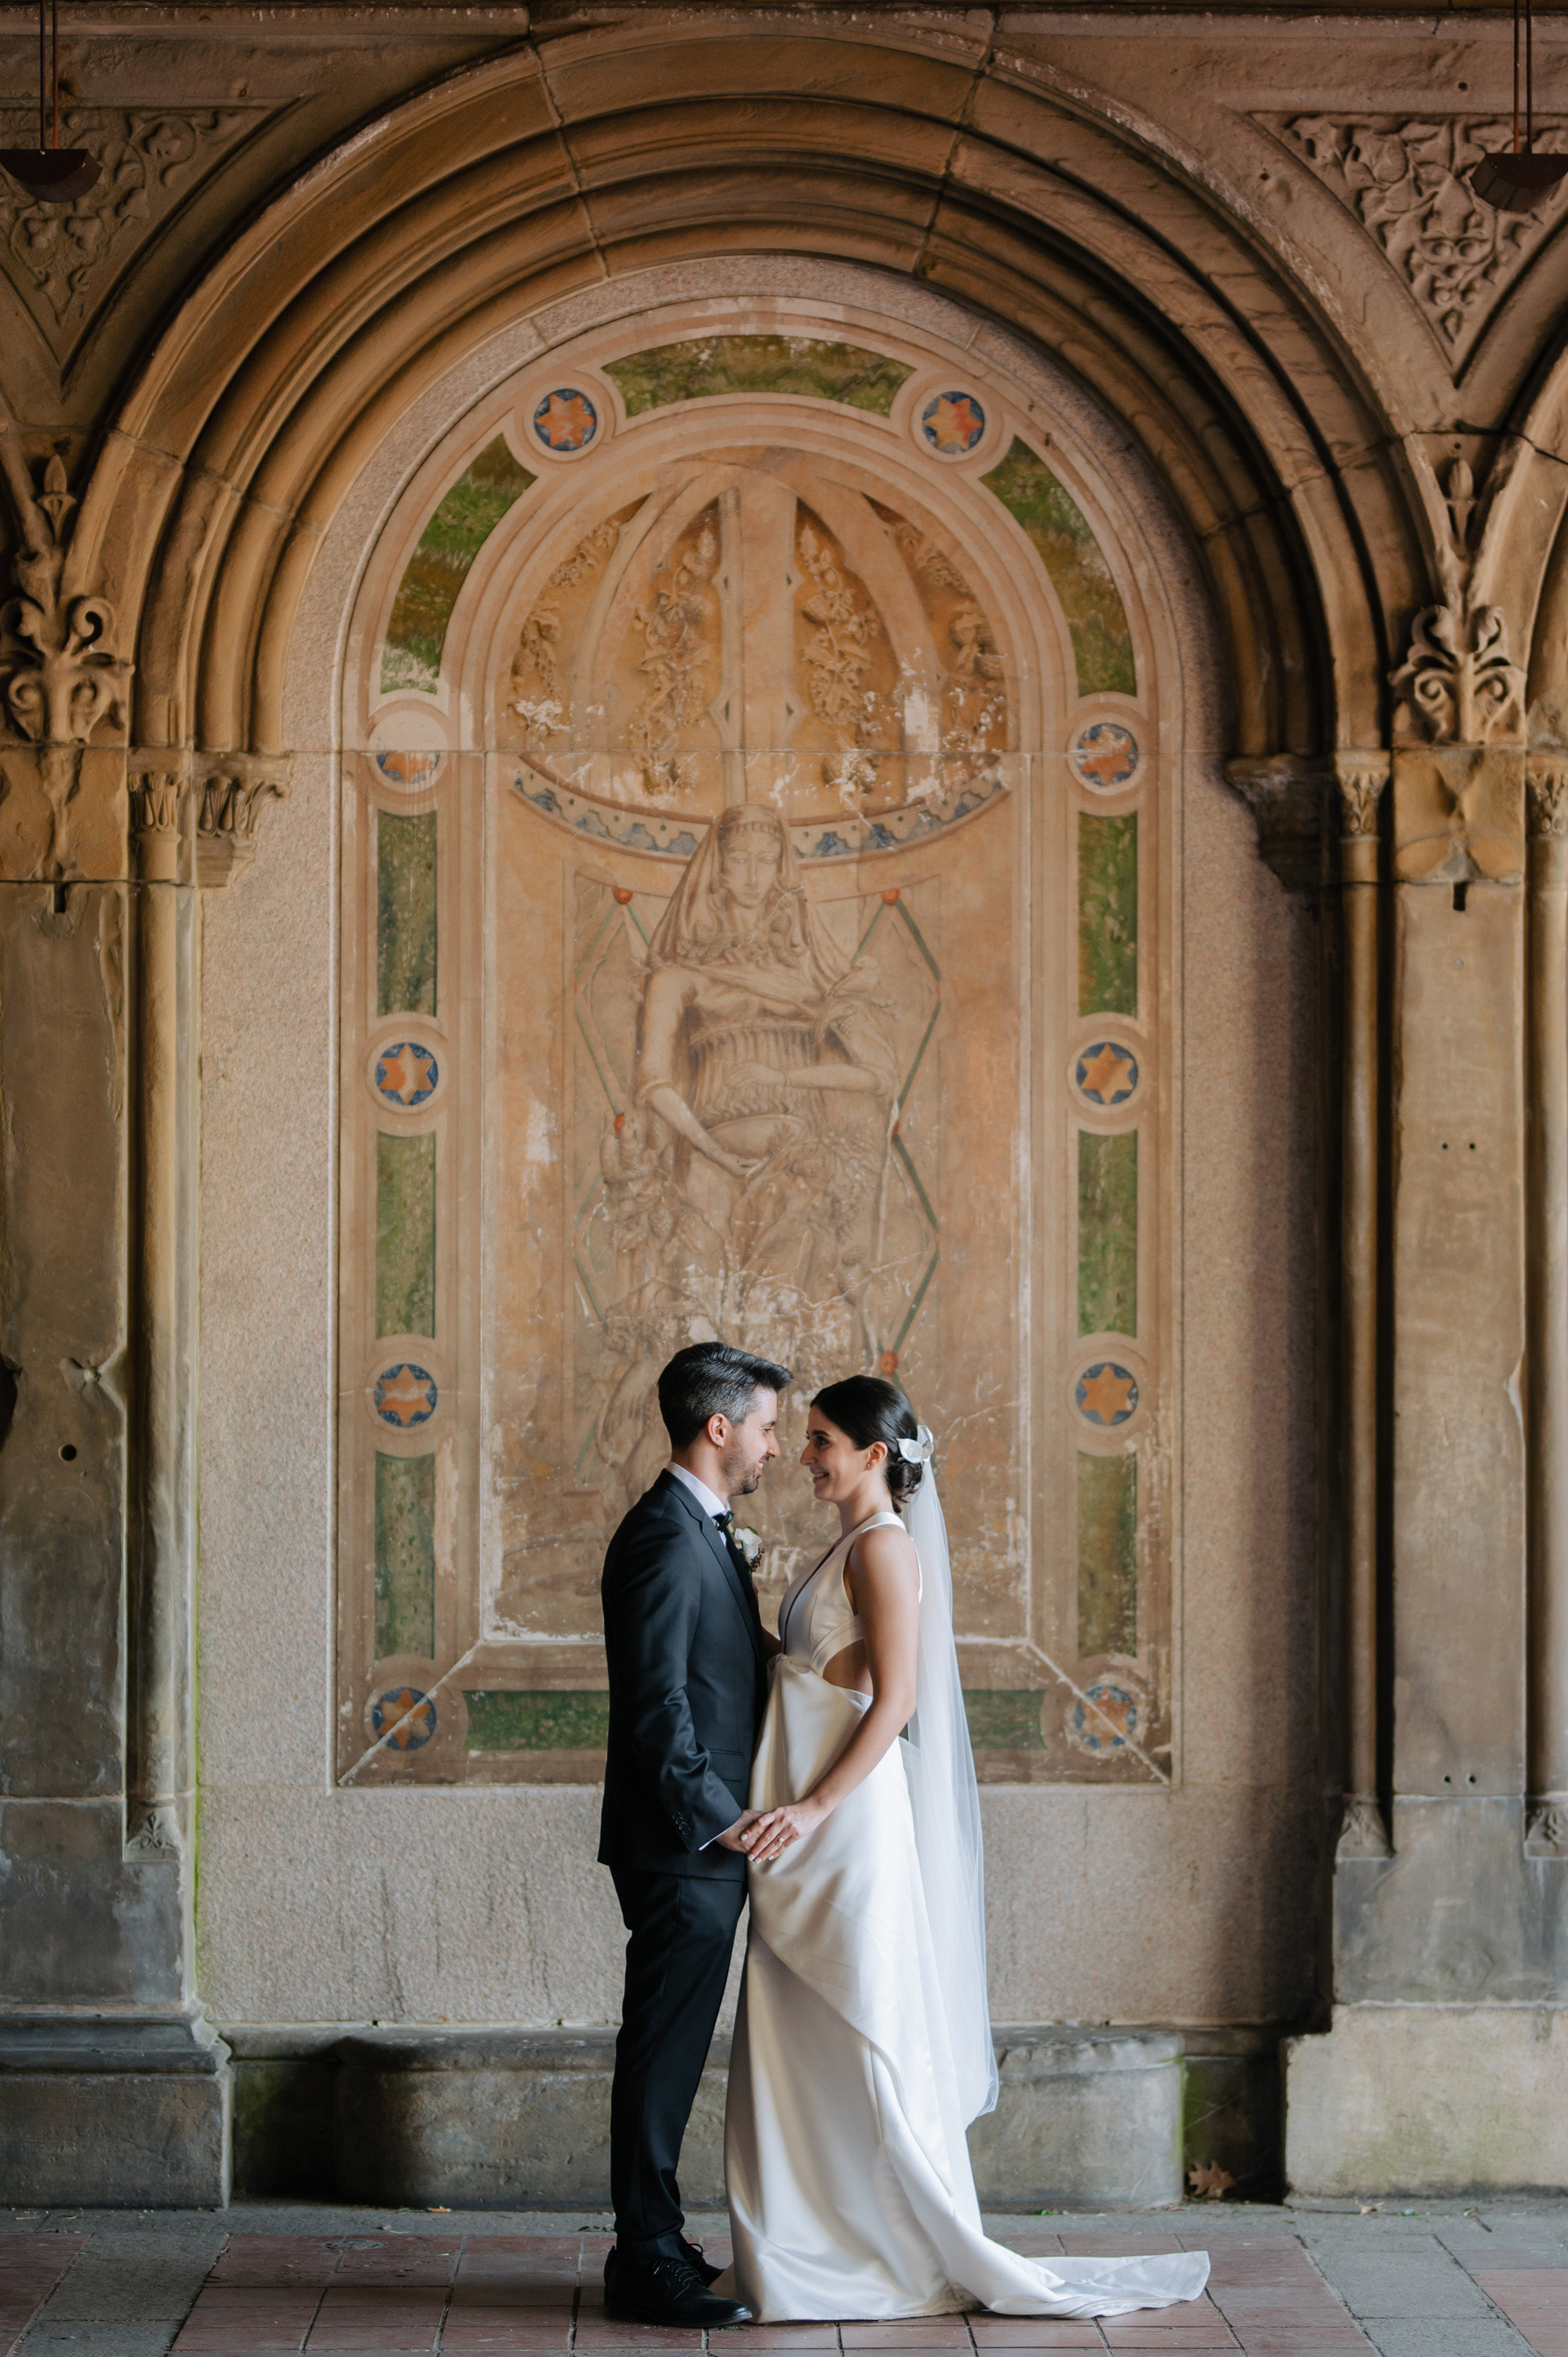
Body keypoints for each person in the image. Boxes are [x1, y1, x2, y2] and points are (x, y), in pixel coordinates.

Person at [716, 1373, 1211, 2322]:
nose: (804, 1456)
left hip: (845, 1820)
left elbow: (895, 1703)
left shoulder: (886, 1551)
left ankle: (883, 2254)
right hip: (808, 1816)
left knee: (861, 2027)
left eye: (820, 1440)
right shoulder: (849, 1545)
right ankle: (809, 2248)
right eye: (806, 1437)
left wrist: (815, 1808)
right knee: (799, 2036)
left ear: (873, 1455)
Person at [597, 1340, 790, 2330]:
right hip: (682, 1848)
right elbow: (656, 1710)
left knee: (670, 2046)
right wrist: (725, 1826)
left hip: (695, 1845)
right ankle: (644, 2258)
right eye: (764, 1427)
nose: (772, 1448)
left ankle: (658, 2242)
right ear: (719, 1428)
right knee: (663, 2050)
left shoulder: (701, 1529)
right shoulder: (666, 1539)